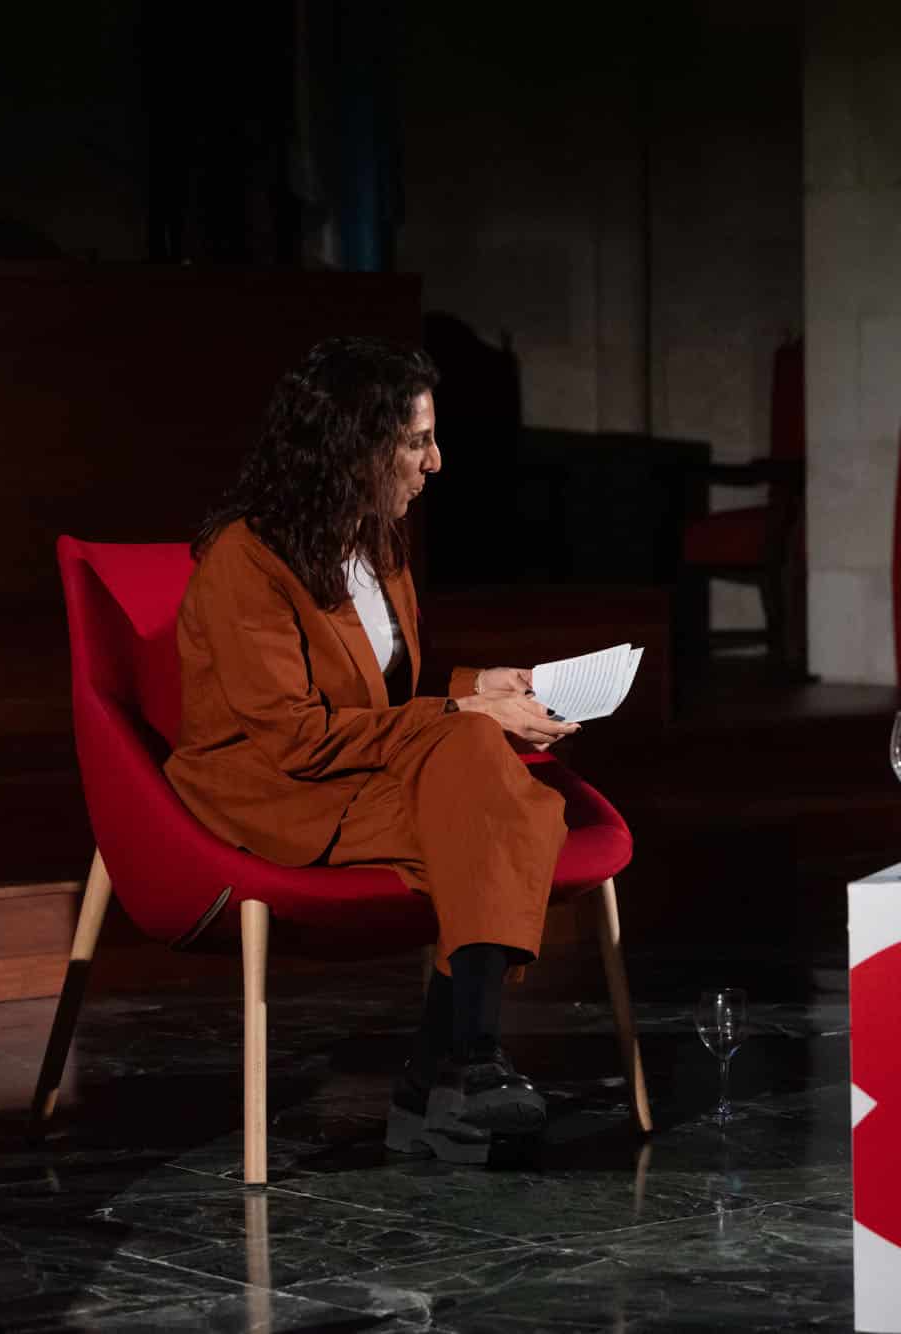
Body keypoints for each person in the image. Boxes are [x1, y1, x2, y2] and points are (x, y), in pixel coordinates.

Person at [165, 336, 581, 1162]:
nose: (436, 462)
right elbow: (296, 737)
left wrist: (481, 684)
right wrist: (466, 710)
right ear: (352, 447)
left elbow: (389, 691)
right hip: (278, 787)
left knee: (480, 788)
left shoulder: (377, 541)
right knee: (501, 811)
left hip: (358, 766)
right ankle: (446, 1071)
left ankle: (457, 1069)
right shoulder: (246, 561)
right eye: (417, 441)